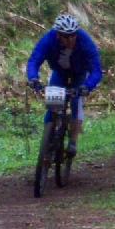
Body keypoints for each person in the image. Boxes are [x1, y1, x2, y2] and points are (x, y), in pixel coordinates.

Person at [26, 13, 102, 157]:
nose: (70, 39)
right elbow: (34, 60)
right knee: (53, 106)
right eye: (65, 36)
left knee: (76, 102)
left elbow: (96, 70)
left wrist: (87, 86)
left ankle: (72, 142)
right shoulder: (48, 39)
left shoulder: (84, 40)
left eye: (72, 35)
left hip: (79, 74)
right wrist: (33, 78)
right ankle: (48, 141)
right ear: (58, 36)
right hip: (59, 73)